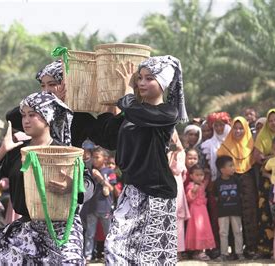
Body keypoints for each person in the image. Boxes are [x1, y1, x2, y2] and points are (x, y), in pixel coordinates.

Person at [0, 91, 94, 265]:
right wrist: (2, 150)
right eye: (24, 115)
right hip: (26, 229)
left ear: (48, 118)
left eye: (33, 115)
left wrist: (72, 185)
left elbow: (89, 184)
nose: (26, 120)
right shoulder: (16, 151)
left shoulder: (65, 153)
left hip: (60, 230)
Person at [91, 55, 188, 264]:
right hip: (132, 189)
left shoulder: (167, 112)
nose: (141, 83)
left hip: (157, 192)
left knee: (153, 257)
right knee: (115, 248)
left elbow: (136, 111)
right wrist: (109, 106)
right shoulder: (131, 112)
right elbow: (108, 137)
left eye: (149, 78)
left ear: (163, 83)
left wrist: (127, 93)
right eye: (139, 78)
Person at [6, 60, 96, 148]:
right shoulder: (38, 111)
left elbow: (108, 138)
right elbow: (11, 118)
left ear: (67, 85)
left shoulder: (80, 118)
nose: (46, 90)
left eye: (52, 84)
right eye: (43, 86)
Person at [216, 116, 258, 257]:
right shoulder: (225, 147)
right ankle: (234, 250)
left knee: (249, 214)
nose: (238, 131)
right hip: (230, 184)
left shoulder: (252, 146)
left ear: (246, 129)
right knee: (232, 216)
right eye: (235, 128)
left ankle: (250, 248)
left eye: (241, 128)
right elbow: (220, 167)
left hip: (248, 184)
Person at [254, 108, 275, 257]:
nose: (273, 123)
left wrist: (269, 156)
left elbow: (266, 156)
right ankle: (267, 249)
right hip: (268, 182)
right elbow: (259, 158)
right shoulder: (262, 136)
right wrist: (271, 158)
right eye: (270, 120)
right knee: (267, 214)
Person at [82, 146, 114, 261]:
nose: (94, 160)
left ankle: (108, 255)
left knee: (108, 234)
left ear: (104, 159)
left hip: (105, 208)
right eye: (93, 158)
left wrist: (100, 178)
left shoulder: (109, 171)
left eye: (97, 157)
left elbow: (111, 189)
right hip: (92, 207)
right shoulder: (90, 171)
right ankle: (88, 256)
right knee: (89, 234)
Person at [214, 155, 245, 261]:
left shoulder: (236, 180)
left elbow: (240, 194)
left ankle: (239, 252)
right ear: (222, 170)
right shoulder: (217, 182)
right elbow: (216, 197)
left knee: (238, 232)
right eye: (230, 166)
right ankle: (224, 254)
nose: (233, 168)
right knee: (223, 232)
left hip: (236, 211)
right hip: (222, 212)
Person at [185, 164, 216, 260]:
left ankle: (201, 250)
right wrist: (193, 191)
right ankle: (196, 251)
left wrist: (207, 173)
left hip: (203, 211)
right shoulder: (190, 185)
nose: (199, 177)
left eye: (201, 175)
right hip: (195, 211)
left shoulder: (202, 184)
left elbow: (207, 180)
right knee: (197, 230)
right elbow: (189, 199)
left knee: (203, 229)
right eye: (197, 175)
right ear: (191, 176)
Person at [167, 129, 190, 260]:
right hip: (163, 186)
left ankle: (178, 251)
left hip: (175, 187)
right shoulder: (161, 149)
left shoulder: (181, 153)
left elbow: (177, 169)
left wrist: (174, 155)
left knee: (177, 218)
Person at [200, 112, 232, 182]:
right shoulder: (208, 144)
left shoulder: (234, 141)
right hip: (216, 180)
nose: (218, 128)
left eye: (221, 125)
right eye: (216, 126)